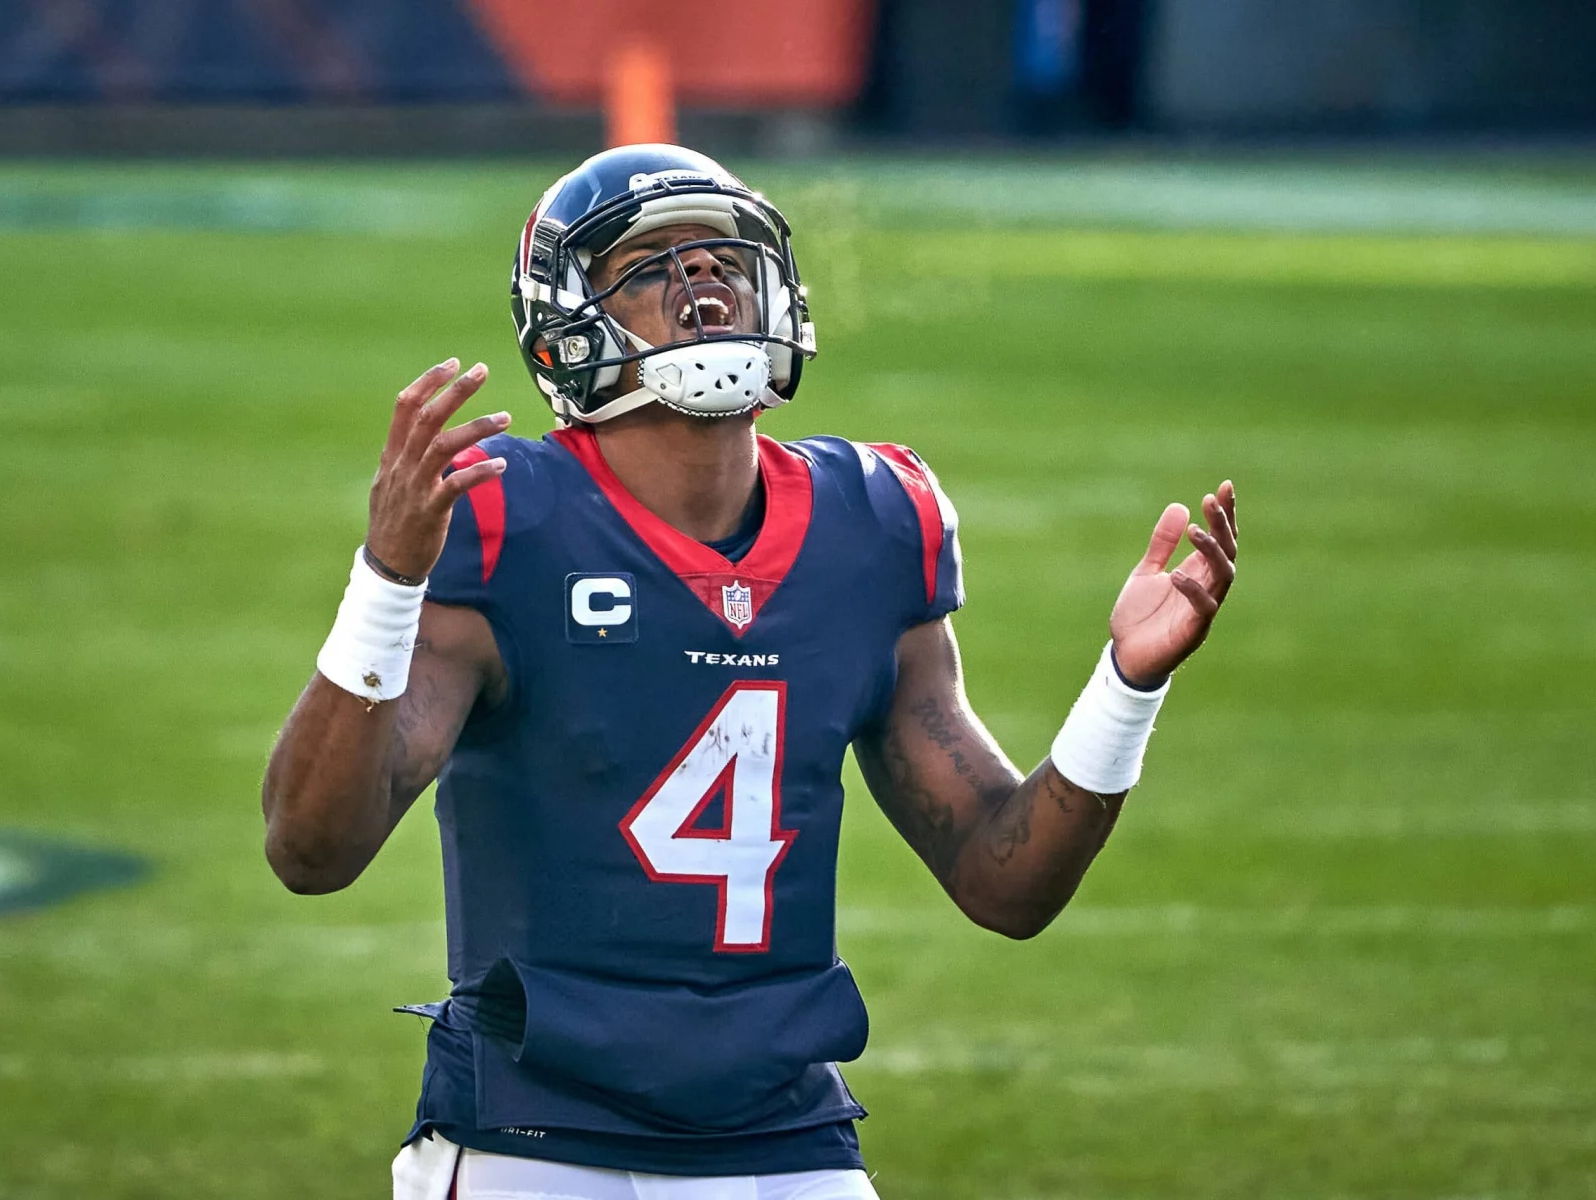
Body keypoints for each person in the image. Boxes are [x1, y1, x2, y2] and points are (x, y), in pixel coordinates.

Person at [261, 145, 1238, 1200]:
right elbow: (311, 850)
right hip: (529, 1138)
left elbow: (1008, 883)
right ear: (567, 326)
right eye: (650, 265)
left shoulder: (875, 519)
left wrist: (1126, 686)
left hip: (784, 1136)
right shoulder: (508, 519)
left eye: (722, 254)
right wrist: (386, 584)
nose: (703, 280)